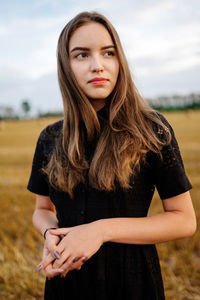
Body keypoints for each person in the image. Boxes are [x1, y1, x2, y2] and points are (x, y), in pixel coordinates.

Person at [27, 11, 196, 300]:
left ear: (120, 61)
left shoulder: (151, 129)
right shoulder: (50, 138)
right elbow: (42, 210)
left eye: (108, 53)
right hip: (66, 284)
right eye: (81, 55)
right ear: (65, 66)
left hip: (131, 284)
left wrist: (100, 231)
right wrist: (52, 237)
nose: (98, 65)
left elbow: (184, 220)